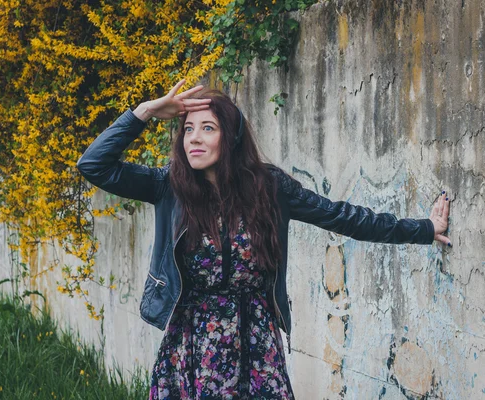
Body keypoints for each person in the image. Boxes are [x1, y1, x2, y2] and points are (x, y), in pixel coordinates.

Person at [76, 80, 451, 399]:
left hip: (254, 338)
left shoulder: (269, 187)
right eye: (188, 129)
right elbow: (94, 165)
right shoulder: (168, 186)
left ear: (231, 136)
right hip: (192, 342)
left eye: (208, 128)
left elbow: (341, 216)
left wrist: (423, 229)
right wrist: (143, 111)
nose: (194, 138)